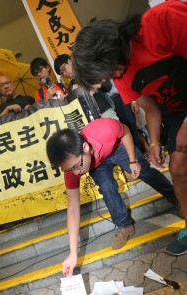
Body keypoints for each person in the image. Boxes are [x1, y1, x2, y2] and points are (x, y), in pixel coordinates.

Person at [72, 0, 187, 256]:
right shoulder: (121, 77)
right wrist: (155, 142)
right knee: (178, 168)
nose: (106, 80)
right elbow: (153, 108)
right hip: (177, 112)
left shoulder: (162, 19)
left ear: (110, 49)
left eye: (104, 73)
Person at [46, 118, 177, 276]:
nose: (76, 173)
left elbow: (126, 132)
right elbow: (73, 209)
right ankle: (125, 225)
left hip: (118, 147)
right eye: (69, 170)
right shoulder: (73, 168)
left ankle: (177, 198)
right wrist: (73, 253)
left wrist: (133, 161)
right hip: (98, 164)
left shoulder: (105, 128)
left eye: (76, 166)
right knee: (107, 188)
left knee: (144, 171)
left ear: (85, 147)